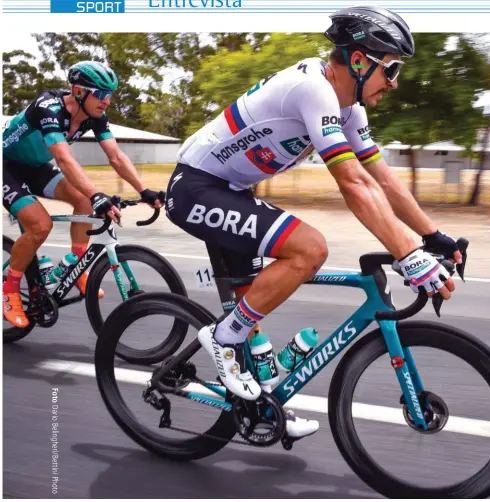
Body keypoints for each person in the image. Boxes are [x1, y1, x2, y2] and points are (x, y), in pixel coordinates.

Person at [165, 6, 462, 440]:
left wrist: (431, 236)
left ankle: (263, 406)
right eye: (391, 69)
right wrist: (409, 255)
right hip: (197, 187)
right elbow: (353, 183)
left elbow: (383, 180)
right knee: (308, 248)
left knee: (256, 309)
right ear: (359, 61)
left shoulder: (349, 110)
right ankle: (222, 339)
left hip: (230, 192)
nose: (395, 82)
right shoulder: (313, 90)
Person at [3, 61, 163, 328]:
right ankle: (9, 289)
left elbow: (115, 156)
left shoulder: (95, 116)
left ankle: (74, 266)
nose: (106, 101)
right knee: (41, 225)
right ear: (78, 91)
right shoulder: (48, 107)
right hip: (5, 166)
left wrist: (143, 190)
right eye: (101, 94)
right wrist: (96, 194)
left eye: (109, 95)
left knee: (82, 201)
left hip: (35, 167)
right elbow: (64, 159)